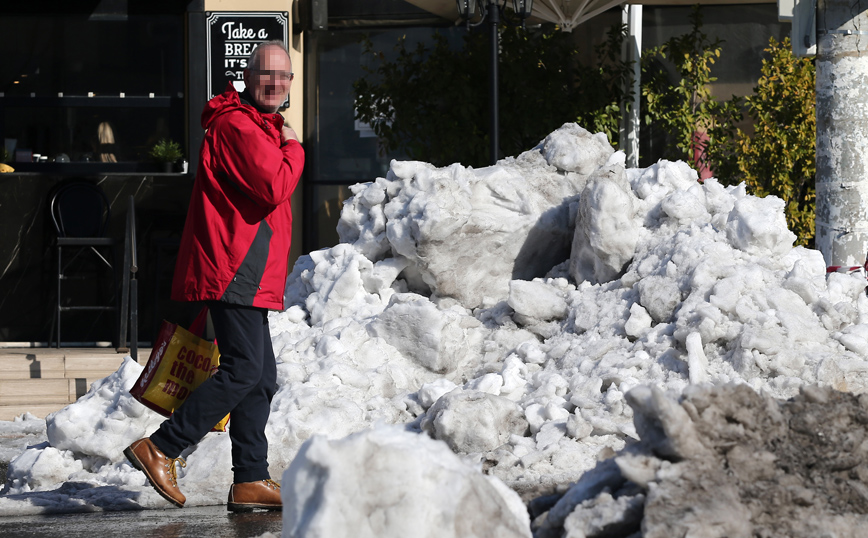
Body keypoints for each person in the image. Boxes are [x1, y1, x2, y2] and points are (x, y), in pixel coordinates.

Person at [124, 40, 304, 511]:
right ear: (248, 75)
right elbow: (274, 184)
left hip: (250, 268)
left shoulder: (259, 126)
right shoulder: (239, 125)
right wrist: (296, 148)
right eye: (268, 73)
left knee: (260, 377)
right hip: (234, 265)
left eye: (285, 77)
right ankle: (162, 446)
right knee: (244, 368)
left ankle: (250, 479)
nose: (277, 83)